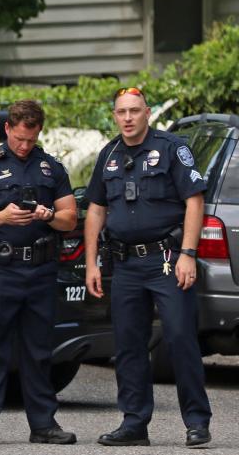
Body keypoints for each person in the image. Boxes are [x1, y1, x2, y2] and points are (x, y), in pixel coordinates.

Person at [84, 87, 211, 447]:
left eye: (134, 111)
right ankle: (134, 423)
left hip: (167, 259)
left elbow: (194, 200)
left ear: (147, 113)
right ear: (114, 115)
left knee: (180, 337)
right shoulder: (108, 154)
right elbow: (96, 208)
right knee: (127, 344)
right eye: (121, 112)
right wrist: (91, 261)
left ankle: (197, 422)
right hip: (125, 264)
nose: (127, 118)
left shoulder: (171, 149)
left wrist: (188, 252)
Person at [0, 99, 78, 446]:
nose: (24, 145)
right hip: (0, 269)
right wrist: (2, 217)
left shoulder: (50, 168)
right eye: (19, 138)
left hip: (40, 269)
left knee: (39, 350)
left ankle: (43, 425)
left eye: (31, 139)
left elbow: (69, 217)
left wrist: (47, 216)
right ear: (8, 129)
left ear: (39, 132)